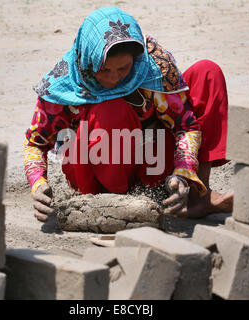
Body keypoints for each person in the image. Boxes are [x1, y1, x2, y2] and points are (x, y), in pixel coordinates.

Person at [23, 7, 233, 223]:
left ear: (136, 58)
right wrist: (38, 184)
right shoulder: (62, 84)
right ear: (88, 62)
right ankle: (113, 203)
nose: (114, 79)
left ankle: (199, 196)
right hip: (92, 170)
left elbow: (186, 126)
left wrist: (183, 172)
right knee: (110, 107)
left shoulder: (154, 67)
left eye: (123, 69)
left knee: (207, 72)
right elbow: (35, 143)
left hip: (153, 162)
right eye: (104, 70)